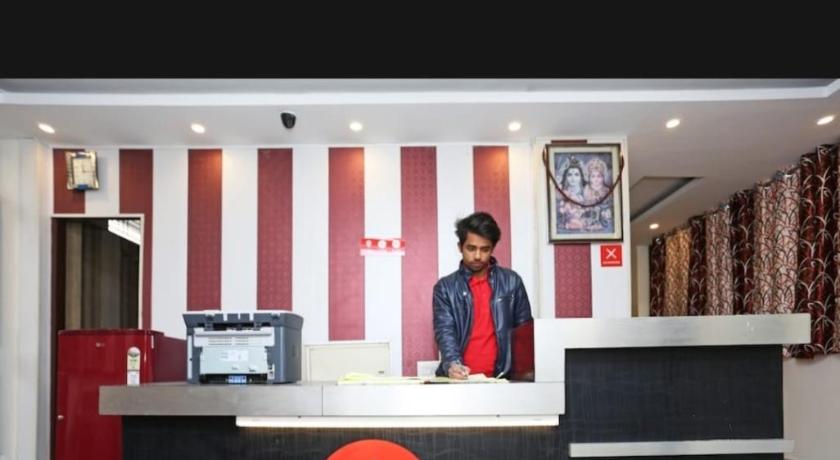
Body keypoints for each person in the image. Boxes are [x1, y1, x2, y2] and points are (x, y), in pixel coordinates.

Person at [432, 212, 533, 379]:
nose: (478, 256)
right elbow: (445, 331)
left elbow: (525, 332)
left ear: (492, 248)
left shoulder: (512, 282)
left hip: (503, 379)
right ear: (460, 247)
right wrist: (453, 364)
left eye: (485, 249)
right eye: (471, 248)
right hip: (460, 379)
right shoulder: (445, 288)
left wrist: (524, 373)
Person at [556, 157, 587, 232]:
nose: (573, 178)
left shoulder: (586, 192)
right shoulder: (562, 192)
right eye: (569, 175)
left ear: (581, 176)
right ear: (566, 177)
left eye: (576, 174)